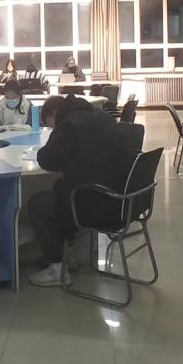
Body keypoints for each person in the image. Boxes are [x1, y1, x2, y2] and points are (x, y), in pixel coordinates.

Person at [27, 95, 135, 287]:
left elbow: (46, 159)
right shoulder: (101, 116)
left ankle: (57, 269)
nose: (51, 128)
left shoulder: (68, 127)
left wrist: (53, 138)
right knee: (61, 188)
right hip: (124, 199)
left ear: (54, 114)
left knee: (39, 203)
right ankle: (68, 256)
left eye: (50, 124)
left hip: (99, 205)